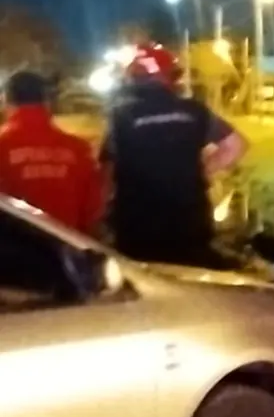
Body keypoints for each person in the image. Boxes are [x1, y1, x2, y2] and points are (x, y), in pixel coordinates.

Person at [100, 41, 248, 267]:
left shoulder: (121, 116)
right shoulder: (195, 111)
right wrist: (204, 170)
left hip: (138, 227)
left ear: (133, 78)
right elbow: (236, 145)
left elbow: (107, 172)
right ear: (170, 76)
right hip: (189, 222)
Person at [0, 71, 103, 234]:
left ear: (5, 100)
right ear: (47, 103)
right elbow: (93, 211)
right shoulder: (78, 149)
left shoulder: (3, 146)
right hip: (66, 252)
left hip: (11, 254)